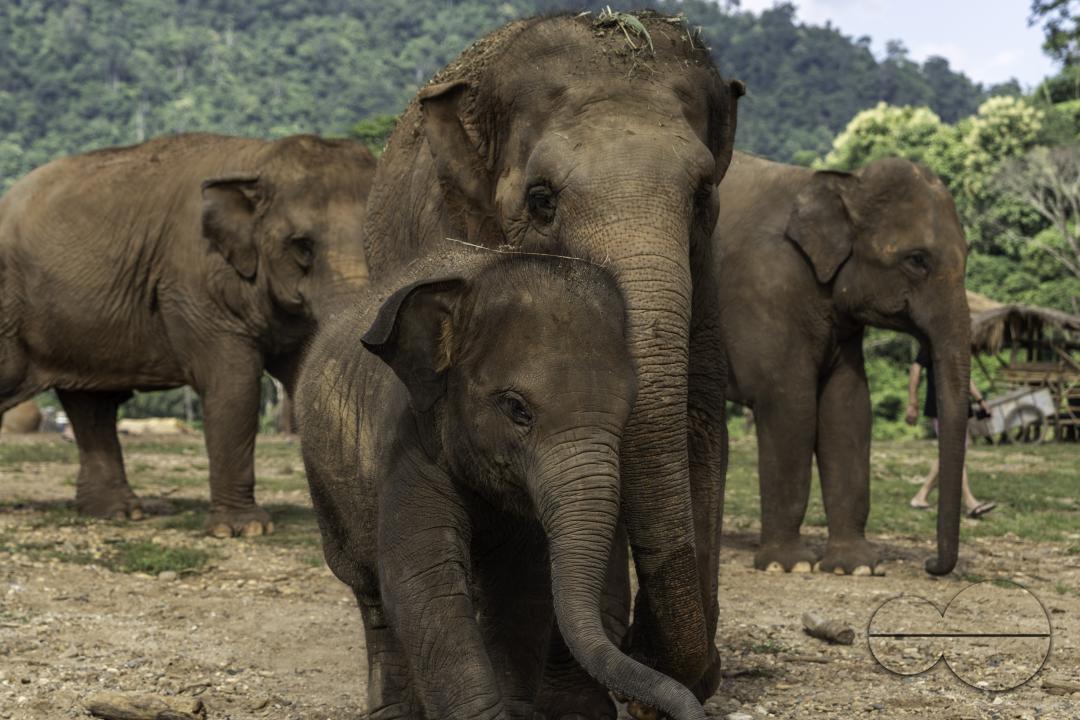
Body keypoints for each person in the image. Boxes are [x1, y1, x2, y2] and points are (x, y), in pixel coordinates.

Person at [906, 344, 996, 518]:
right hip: (941, 405)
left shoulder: (960, 343)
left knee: (951, 453)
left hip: (959, 405)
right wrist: (913, 402)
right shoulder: (934, 341)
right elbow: (916, 368)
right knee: (954, 452)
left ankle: (921, 496)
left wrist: (980, 400)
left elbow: (964, 376)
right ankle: (970, 502)